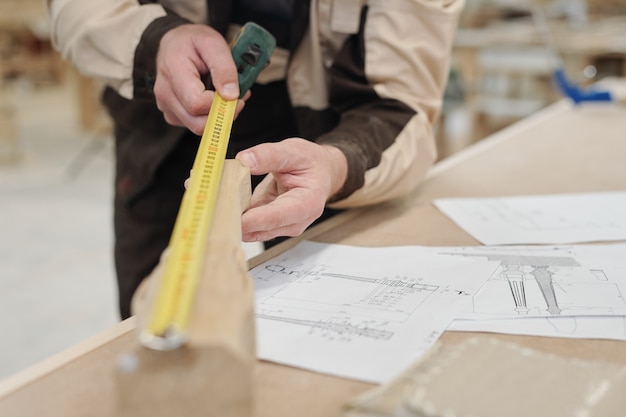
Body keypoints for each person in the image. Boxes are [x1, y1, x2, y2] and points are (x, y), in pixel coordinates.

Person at [48, 0, 464, 319]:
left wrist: (338, 164)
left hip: (328, 127)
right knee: (158, 315)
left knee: (321, 319)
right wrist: (152, 41)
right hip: (166, 108)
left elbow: (401, 106)